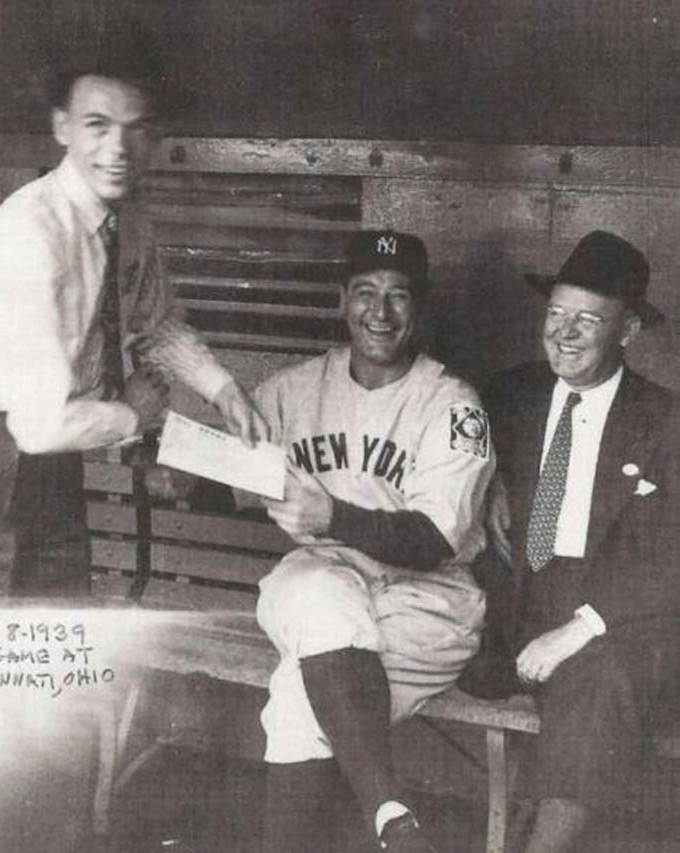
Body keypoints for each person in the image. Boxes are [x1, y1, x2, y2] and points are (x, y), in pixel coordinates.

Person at [0, 17, 266, 597]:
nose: (118, 149)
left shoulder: (127, 218)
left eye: (135, 129)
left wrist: (222, 387)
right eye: (98, 125)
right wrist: (132, 415)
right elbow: (38, 427)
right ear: (62, 127)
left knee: (62, 602)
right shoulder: (33, 240)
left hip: (57, 436)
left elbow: (154, 319)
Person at [254, 229, 494, 852]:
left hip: (424, 599)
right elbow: (231, 475)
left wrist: (330, 516)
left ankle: (382, 817)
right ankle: (392, 817)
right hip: (322, 579)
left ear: (421, 307)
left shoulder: (452, 405)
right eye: (365, 292)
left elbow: (434, 540)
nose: (379, 313)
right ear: (342, 299)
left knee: (299, 700)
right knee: (318, 591)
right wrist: (176, 473)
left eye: (398, 296)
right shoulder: (292, 389)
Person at [485, 230, 680, 852]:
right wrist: (485, 483)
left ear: (627, 333)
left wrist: (581, 627)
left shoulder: (665, 420)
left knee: (599, 684)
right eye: (555, 315)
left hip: (612, 617)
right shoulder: (508, 397)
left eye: (586, 320)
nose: (563, 334)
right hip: (515, 603)